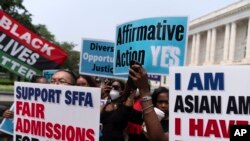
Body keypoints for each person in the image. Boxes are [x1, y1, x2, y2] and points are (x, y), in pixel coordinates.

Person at [129, 63, 169, 141]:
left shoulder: (175, 124)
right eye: (160, 102)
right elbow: (126, 112)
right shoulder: (145, 116)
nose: (163, 105)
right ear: (154, 102)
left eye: (166, 102)